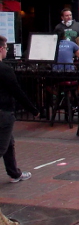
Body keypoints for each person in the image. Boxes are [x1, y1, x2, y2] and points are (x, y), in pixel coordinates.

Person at [1, 35, 40, 183]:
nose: (7, 51)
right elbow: (17, 92)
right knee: (2, 146)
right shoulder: (5, 70)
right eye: (6, 48)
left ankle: (14, 173)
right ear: (1, 49)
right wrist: (33, 109)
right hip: (4, 111)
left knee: (9, 143)